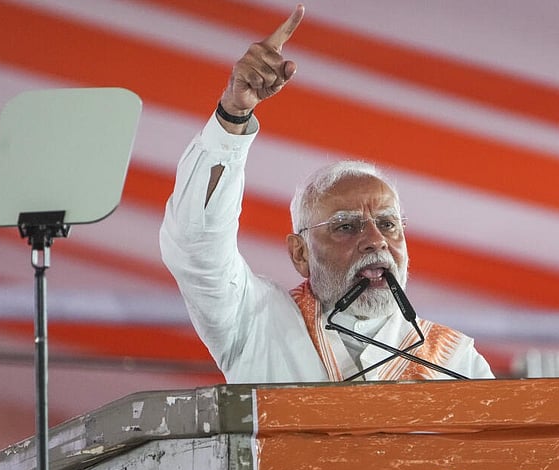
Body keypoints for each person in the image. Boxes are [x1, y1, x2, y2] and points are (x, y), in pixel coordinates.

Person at [159, 5, 493, 384]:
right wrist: (233, 113)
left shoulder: (457, 362)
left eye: (388, 224)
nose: (375, 241)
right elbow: (195, 245)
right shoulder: (256, 322)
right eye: (346, 226)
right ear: (299, 253)